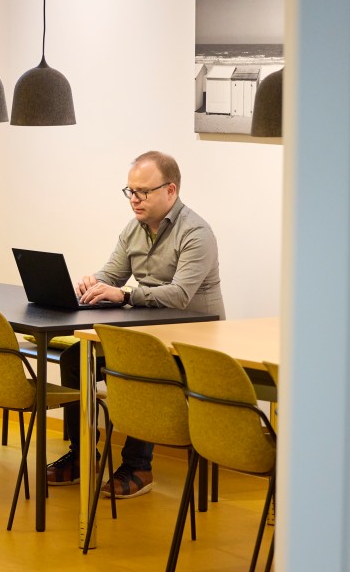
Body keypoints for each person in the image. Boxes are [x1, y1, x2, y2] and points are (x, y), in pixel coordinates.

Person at [46, 150, 224, 498]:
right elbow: (112, 274)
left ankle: (139, 465)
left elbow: (178, 296)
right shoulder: (134, 228)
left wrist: (124, 296)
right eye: (130, 191)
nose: (134, 200)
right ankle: (83, 454)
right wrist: (92, 283)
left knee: (139, 361)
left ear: (170, 191)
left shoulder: (197, 233)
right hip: (149, 333)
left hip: (194, 341)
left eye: (143, 192)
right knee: (74, 359)